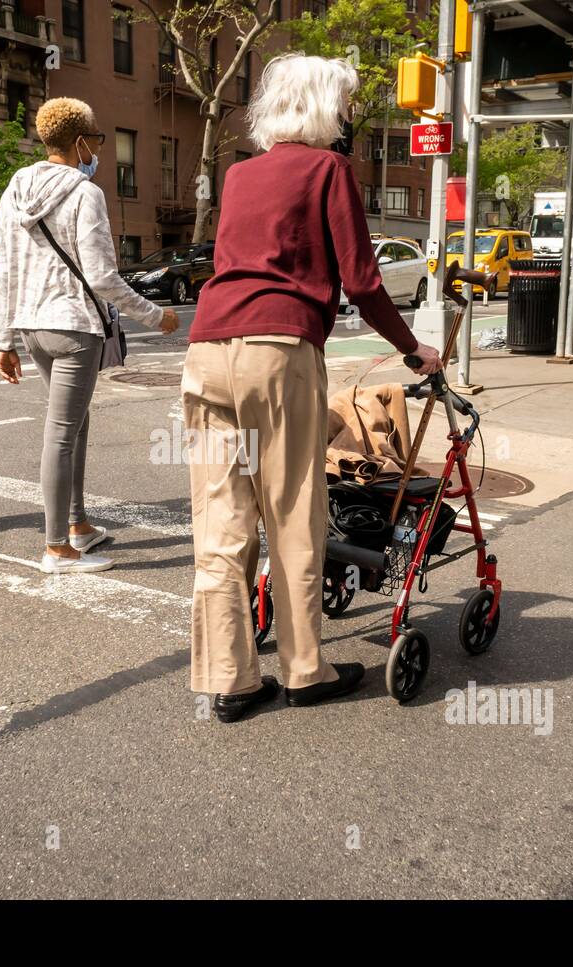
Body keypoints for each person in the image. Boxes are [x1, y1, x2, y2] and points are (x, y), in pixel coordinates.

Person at [183, 54, 443, 723]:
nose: (352, 117)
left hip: (208, 350)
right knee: (293, 512)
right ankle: (305, 669)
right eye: (348, 104)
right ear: (327, 107)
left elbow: (228, 264)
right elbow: (362, 279)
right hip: (279, 351)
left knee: (222, 520)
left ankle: (232, 679)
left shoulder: (239, 175)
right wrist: (413, 348)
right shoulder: (329, 170)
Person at [0, 97, 180, 573]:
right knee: (61, 434)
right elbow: (101, 275)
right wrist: (155, 316)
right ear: (79, 142)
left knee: (74, 426)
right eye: (97, 139)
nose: (98, 148)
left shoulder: (14, 190)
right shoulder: (85, 193)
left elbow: (6, 270)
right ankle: (57, 548)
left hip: (34, 326)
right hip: (75, 326)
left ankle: (77, 525)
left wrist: (4, 340)